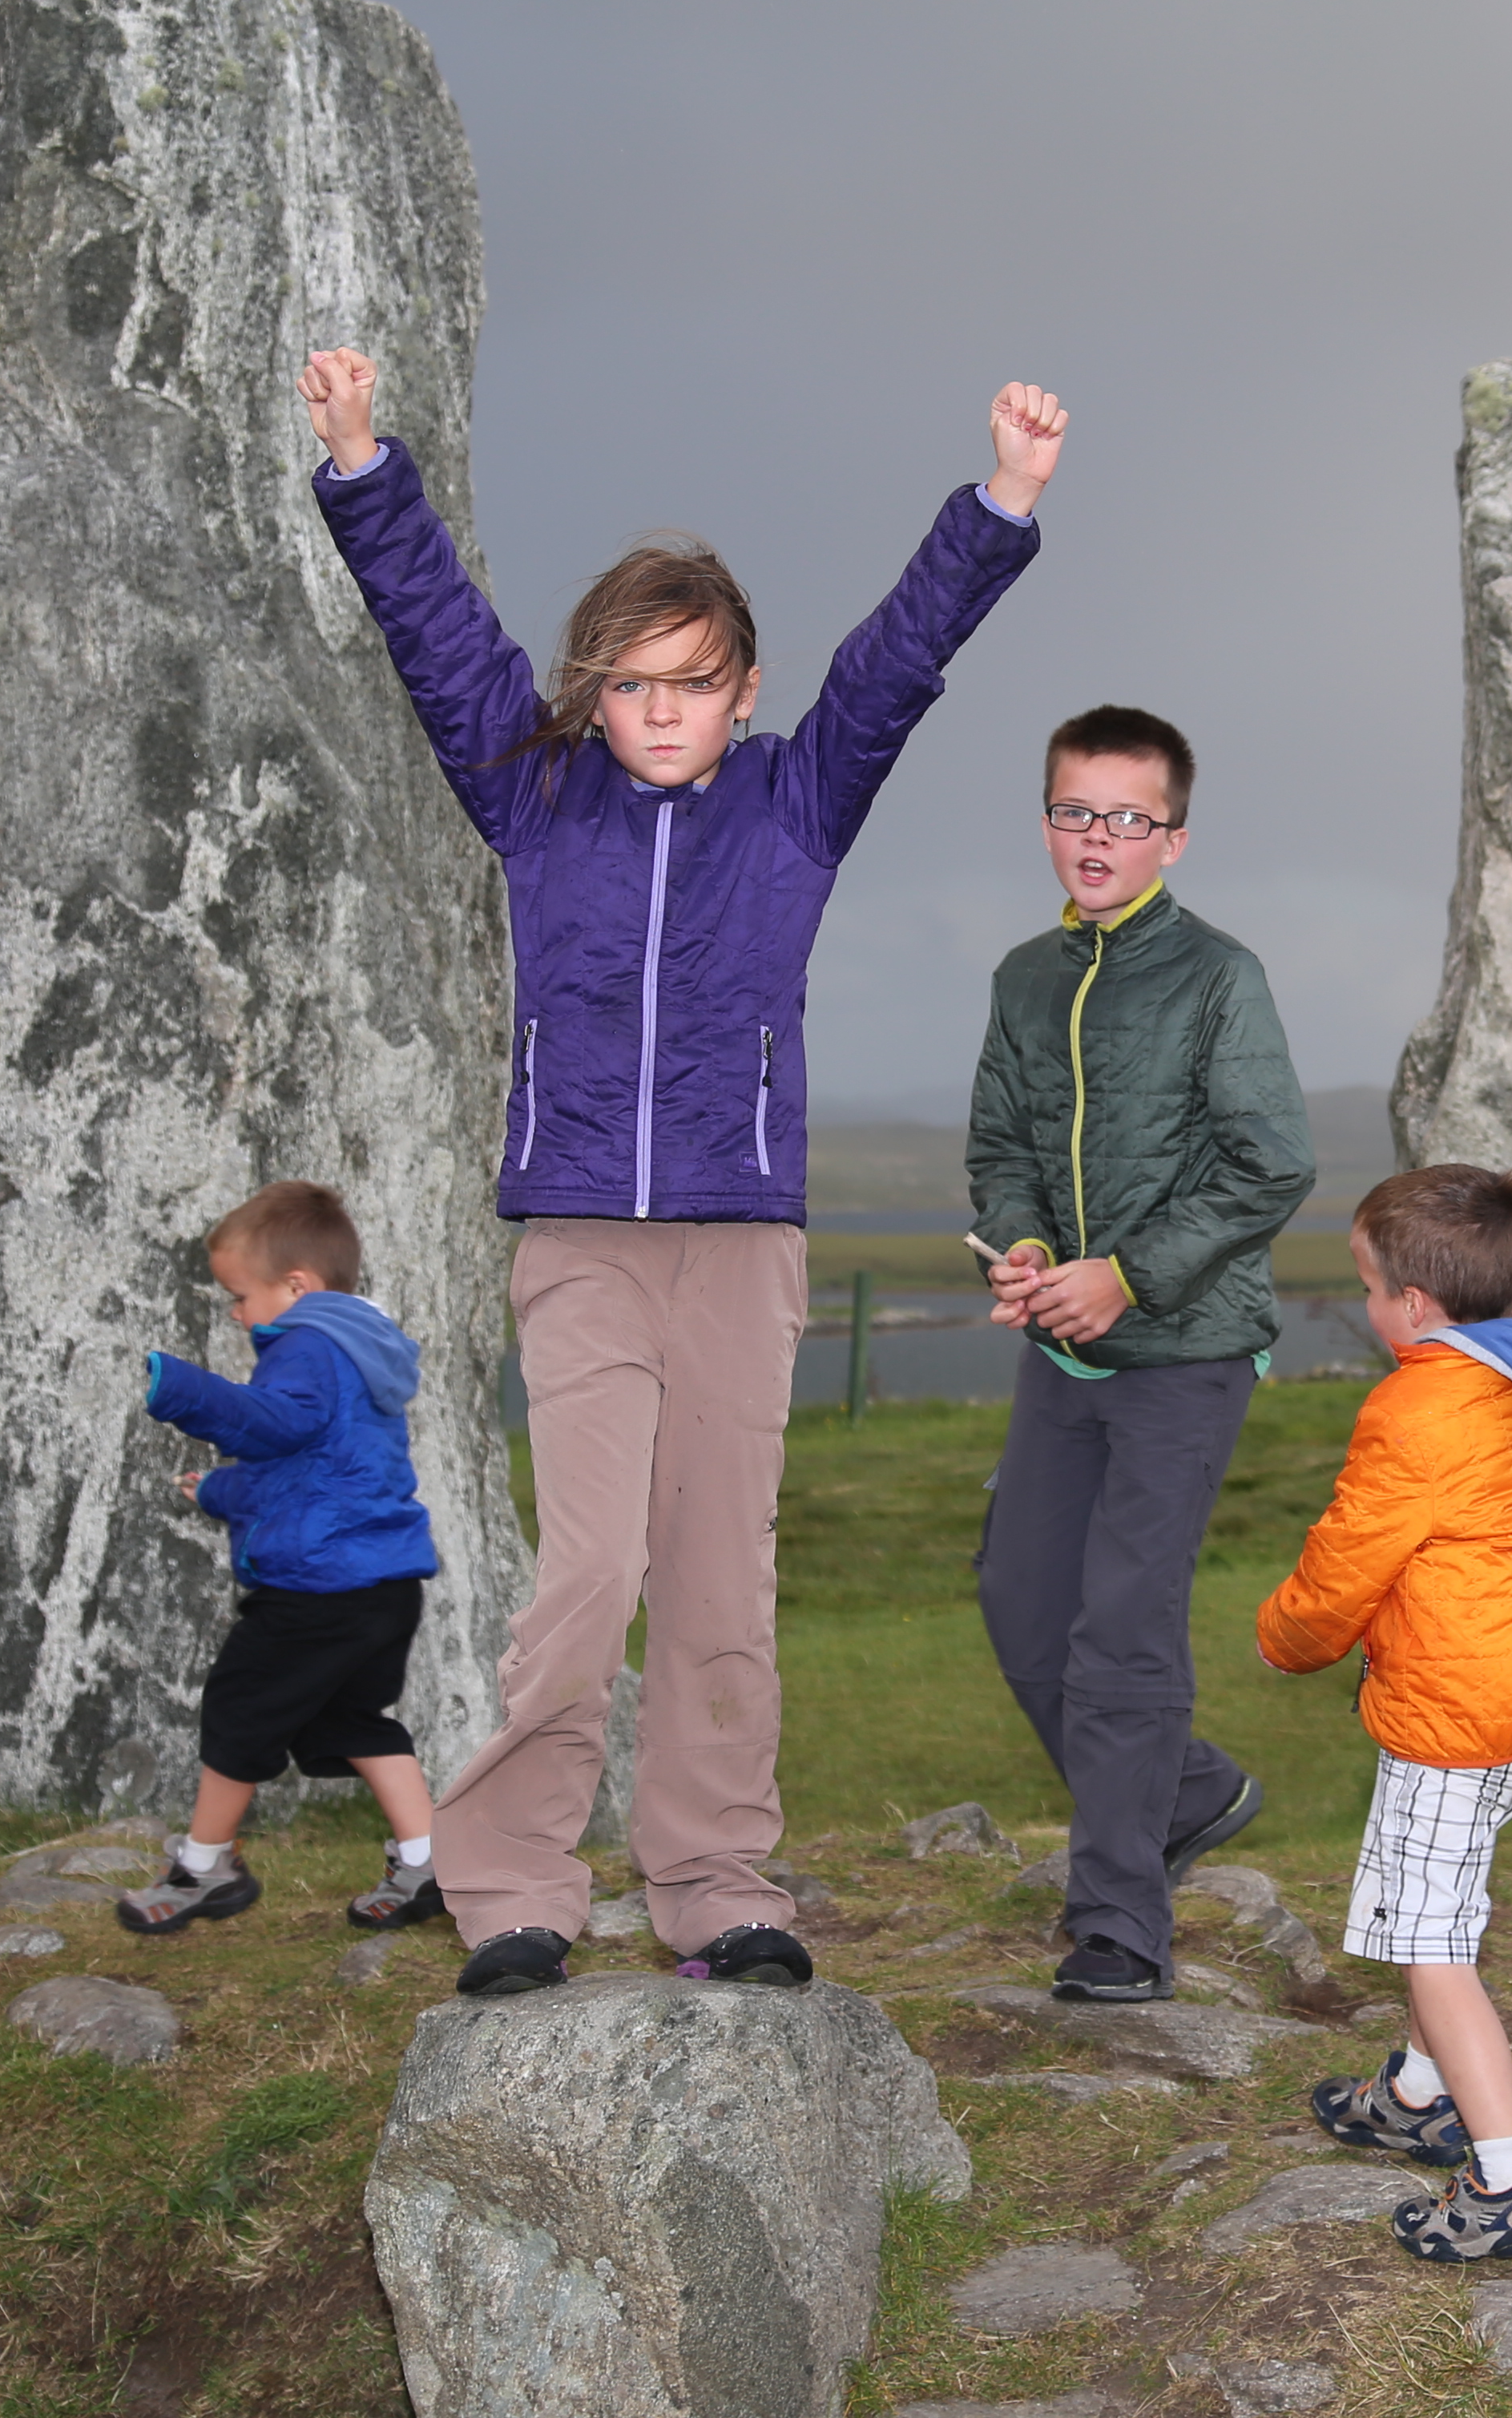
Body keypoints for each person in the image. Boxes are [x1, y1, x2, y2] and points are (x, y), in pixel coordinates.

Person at [300, 345, 1062, 1997]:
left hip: (742, 1241)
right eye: (632, 683)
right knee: (588, 1568)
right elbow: (438, 636)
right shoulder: (537, 796)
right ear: (593, 690)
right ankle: (510, 1881)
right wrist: (365, 465)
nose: (661, 713)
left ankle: (715, 1880)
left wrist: (999, 501)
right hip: (577, 1233)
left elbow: (901, 661)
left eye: (692, 683)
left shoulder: (799, 800)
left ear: (742, 689)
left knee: (720, 1563)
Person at [967, 704, 1316, 2002]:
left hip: (1189, 1347)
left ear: (1172, 835)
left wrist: (1127, 1273)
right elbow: (1000, 1145)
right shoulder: (1022, 978)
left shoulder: (1220, 975)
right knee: (1019, 1600)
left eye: (1126, 815)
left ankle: (1119, 1922)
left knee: (1122, 1626)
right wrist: (1017, 1247)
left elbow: (1273, 1159)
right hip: (1060, 1350)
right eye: (1073, 809)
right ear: (1047, 818)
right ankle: (1186, 1788)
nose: (1095, 836)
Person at [1258, 1163, 1512, 2263]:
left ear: (1415, 1307)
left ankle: (1511, 2178)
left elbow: (1346, 1563)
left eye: (1369, 1289)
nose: (1369, 1308)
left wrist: (1287, 1637)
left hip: (1453, 1717)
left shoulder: (1415, 1407)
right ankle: (1419, 2093)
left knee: (1428, 1939)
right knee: (1440, 1893)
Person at [119, 1180, 451, 1936]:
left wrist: (181, 1390)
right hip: (380, 1584)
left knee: (240, 1710)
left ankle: (206, 1868)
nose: (236, 1314)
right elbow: (313, 1472)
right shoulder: (362, 1353)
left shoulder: (306, 1345)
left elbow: (274, 1427)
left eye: (239, 1296)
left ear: (295, 1286)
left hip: (316, 1589)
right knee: (352, 1720)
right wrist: (217, 1492)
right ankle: (428, 1858)